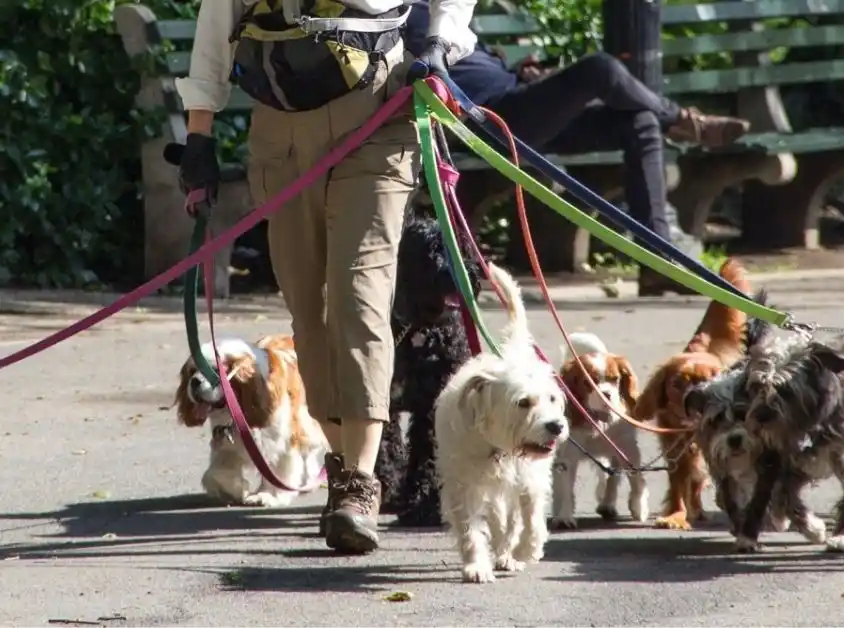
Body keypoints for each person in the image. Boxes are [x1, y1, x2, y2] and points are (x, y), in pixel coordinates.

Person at [173, 0, 478, 555]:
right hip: (280, 128)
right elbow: (217, 22)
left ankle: (360, 483)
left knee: (358, 298)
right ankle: (341, 468)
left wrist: (439, 43)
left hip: (377, 113)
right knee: (308, 312)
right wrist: (199, 138)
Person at [403, 0, 751, 296]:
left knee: (639, 121)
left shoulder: (440, 9)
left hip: (522, 107)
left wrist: (524, 74)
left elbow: (471, 67)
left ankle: (657, 258)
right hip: (491, 118)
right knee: (599, 69)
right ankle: (685, 121)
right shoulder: (404, 14)